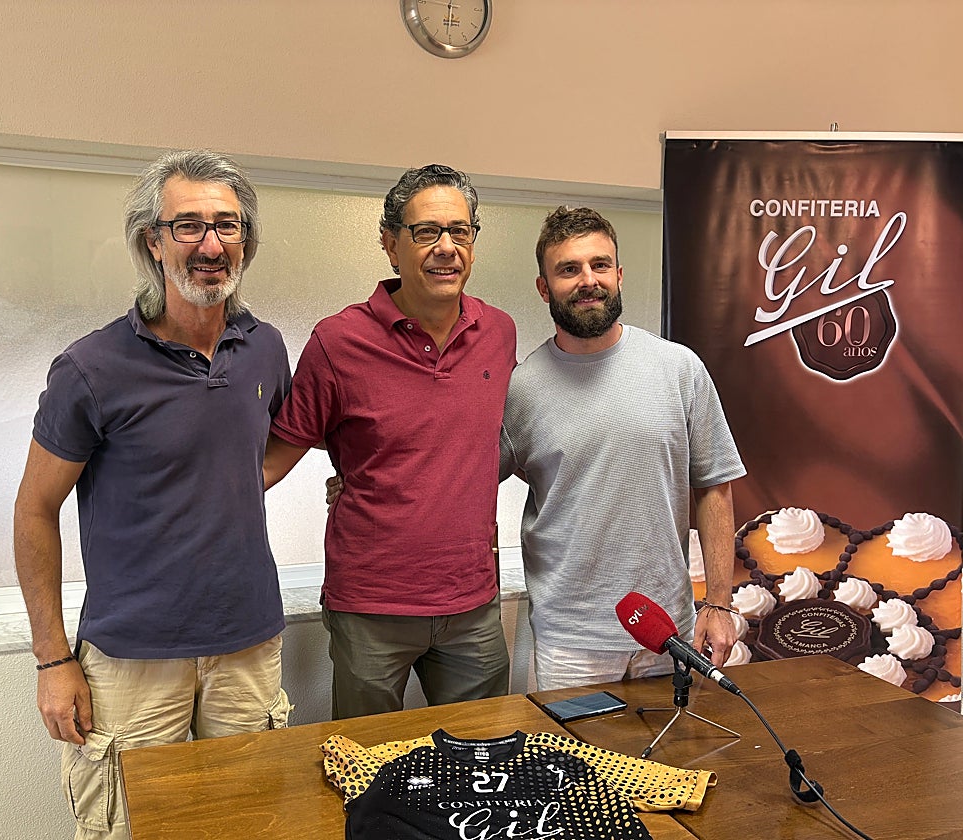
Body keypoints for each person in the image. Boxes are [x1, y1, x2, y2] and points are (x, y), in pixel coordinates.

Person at [13, 150, 293, 840]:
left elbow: (282, 439)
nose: (210, 244)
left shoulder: (265, 349)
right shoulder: (91, 368)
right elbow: (34, 511)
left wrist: (231, 482)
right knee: (130, 829)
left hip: (247, 646)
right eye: (188, 225)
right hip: (133, 656)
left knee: (245, 824)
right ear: (153, 241)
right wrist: (53, 661)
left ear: (246, 241)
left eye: (227, 226)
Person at [263, 164, 517, 719]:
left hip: (472, 604)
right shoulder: (338, 342)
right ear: (390, 242)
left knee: (483, 764)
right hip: (371, 608)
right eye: (426, 231)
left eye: (460, 231)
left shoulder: (499, 332)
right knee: (369, 771)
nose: (446, 247)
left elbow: (483, 442)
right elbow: (269, 464)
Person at [501, 206, 745, 690]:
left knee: (673, 765)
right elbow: (466, 488)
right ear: (544, 288)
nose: (587, 280)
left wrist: (718, 603)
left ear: (618, 273)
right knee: (574, 766)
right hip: (569, 642)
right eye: (568, 269)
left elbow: (715, 488)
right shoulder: (520, 389)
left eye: (599, 264)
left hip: (666, 631)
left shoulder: (679, 369)